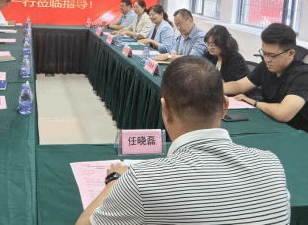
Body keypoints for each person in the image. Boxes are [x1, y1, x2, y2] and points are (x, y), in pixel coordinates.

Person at [76, 56, 290, 225]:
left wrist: (114, 181)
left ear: (165, 109)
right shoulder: (271, 165)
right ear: (225, 106)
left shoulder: (141, 181)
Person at [225, 23, 308, 136]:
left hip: (307, 136)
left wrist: (254, 102)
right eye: (264, 53)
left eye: (272, 55)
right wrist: (213, 89)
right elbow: (239, 85)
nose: (267, 59)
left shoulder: (305, 76)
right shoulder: (266, 66)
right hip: (278, 127)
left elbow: (282, 114)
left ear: (291, 54)